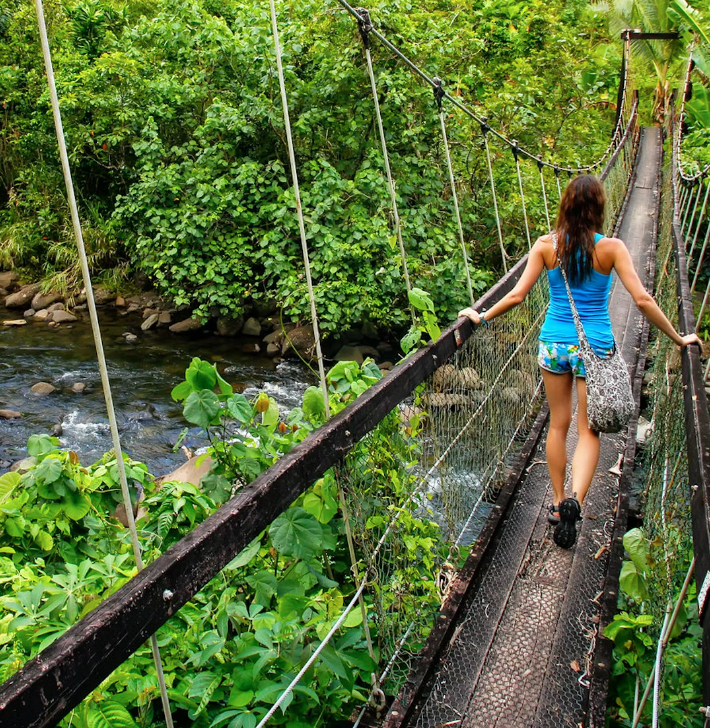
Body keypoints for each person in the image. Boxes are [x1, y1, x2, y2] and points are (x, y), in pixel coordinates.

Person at [458, 175, 700, 549]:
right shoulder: (613, 248)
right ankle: (577, 501)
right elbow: (642, 301)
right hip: (596, 348)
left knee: (558, 424)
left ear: (565, 206)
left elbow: (519, 295)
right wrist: (679, 337)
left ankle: (556, 502)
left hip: (554, 345)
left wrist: (481, 315)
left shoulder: (545, 246)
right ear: (600, 207)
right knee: (588, 430)